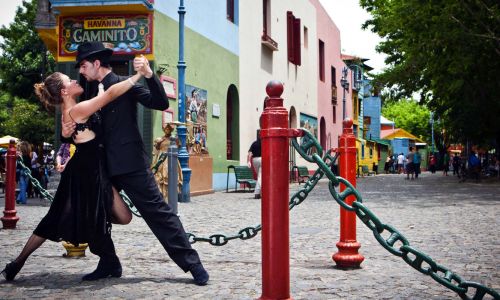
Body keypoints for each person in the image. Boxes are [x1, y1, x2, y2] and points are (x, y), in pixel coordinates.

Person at [62, 41, 208, 285]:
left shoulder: (126, 83)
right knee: (94, 212)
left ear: (97, 63)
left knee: (158, 213)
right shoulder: (87, 90)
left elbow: (160, 103)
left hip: (129, 163)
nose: (81, 71)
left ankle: (193, 264)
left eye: (84, 65)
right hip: (100, 164)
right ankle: (108, 262)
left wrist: (150, 76)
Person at [1, 61, 142, 282]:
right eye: (70, 81)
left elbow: (73, 138)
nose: (76, 79)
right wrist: (136, 77)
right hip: (84, 175)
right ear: (65, 91)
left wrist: (62, 155)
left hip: (92, 172)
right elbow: (110, 95)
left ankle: (105, 257)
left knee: (113, 217)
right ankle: (18, 262)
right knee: (63, 219)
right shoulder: (77, 109)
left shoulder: (73, 109)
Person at [247, 130, 261, 199]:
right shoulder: (265, 142)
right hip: (262, 159)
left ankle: (260, 192)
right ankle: (257, 193)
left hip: (254, 160)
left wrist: (248, 161)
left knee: (259, 176)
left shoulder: (254, 143)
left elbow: (250, 153)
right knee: (260, 177)